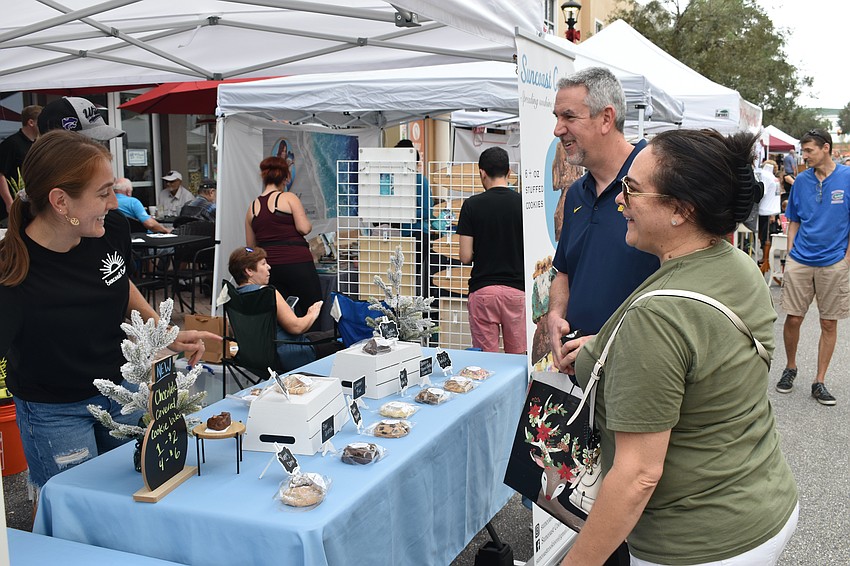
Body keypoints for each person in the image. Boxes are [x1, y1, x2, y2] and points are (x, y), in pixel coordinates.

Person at [561, 128, 798, 566]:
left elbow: (638, 477)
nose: (620, 201)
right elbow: (708, 352)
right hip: (761, 498)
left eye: (632, 190)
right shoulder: (735, 264)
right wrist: (614, 346)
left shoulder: (657, 318)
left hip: (695, 541)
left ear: (680, 210)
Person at [0, 130, 219, 494]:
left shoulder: (110, 229)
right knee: (72, 510)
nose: (115, 204)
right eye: (103, 194)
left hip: (122, 392)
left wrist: (162, 334)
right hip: (56, 412)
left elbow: (119, 283)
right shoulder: (12, 273)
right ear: (60, 202)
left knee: (132, 494)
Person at [547, 67, 659, 375]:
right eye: (556, 117)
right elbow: (565, 271)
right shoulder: (575, 195)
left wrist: (608, 343)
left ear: (606, 118)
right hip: (580, 374)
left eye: (569, 117)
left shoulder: (660, 182)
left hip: (639, 376)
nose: (558, 130)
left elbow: (681, 291)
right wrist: (555, 314)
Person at [775, 128, 850, 405]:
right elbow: (793, 219)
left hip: (834, 263)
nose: (803, 156)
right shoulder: (802, 182)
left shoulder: (847, 178)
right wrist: (791, 252)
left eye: (809, 151)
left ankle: (819, 381)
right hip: (801, 260)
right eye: (803, 151)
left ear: (826, 148)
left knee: (828, 322)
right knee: (793, 318)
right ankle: (790, 367)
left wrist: (847, 259)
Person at [456, 147, 525, 353]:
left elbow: (465, 256)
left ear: (482, 172)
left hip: (483, 290)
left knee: (487, 362)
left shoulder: (471, 206)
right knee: (519, 359)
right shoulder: (523, 204)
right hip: (517, 292)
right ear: (509, 173)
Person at [228, 247, 339, 372]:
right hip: (289, 356)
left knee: (324, 335)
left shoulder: (233, 297)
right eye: (263, 264)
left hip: (256, 359)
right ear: (249, 271)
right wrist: (312, 313)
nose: (269, 267)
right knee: (344, 338)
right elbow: (297, 327)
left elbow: (233, 331)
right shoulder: (267, 293)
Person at [245, 156, 322, 326]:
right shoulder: (289, 198)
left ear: (263, 177)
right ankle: (316, 348)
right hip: (298, 264)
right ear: (286, 178)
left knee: (281, 315)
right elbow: (304, 228)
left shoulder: (252, 207)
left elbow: (250, 248)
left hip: (270, 267)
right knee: (312, 309)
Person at [0, 105, 41, 225]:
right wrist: (9, 202)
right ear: (31, 122)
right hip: (12, 205)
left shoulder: (36, 144)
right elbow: (0, 173)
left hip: (30, 205)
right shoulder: (11, 144)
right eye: (41, 121)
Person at [756, 159, 781, 255]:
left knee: (764, 236)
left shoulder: (765, 176)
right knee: (768, 235)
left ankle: (765, 258)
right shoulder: (774, 178)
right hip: (772, 210)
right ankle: (766, 258)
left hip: (765, 210)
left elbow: (763, 193)